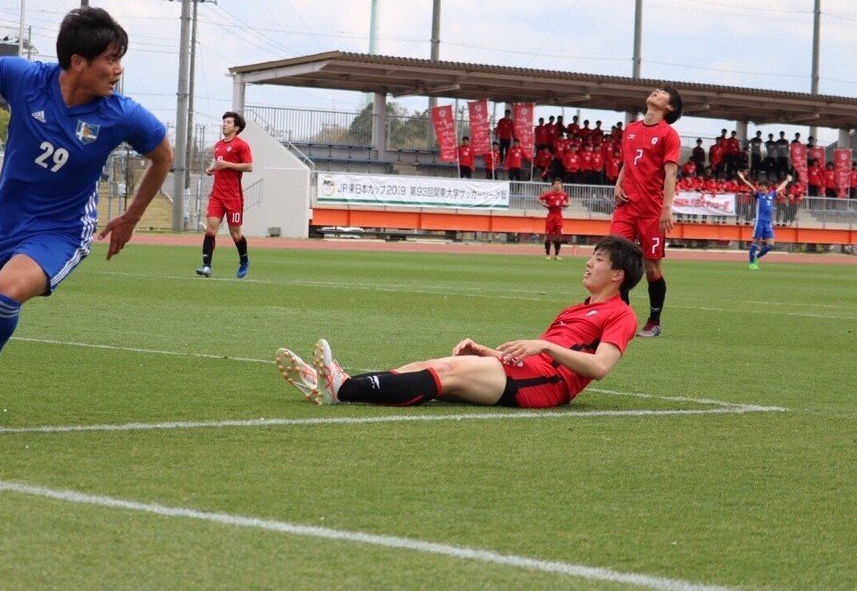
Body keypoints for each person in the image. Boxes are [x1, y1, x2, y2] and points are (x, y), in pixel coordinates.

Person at [0, 0, 173, 415]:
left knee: (5, 294)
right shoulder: (26, 78)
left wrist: (131, 217)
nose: (118, 69)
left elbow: (163, 156)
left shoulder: (122, 114)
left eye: (120, 59)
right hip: (5, 218)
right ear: (78, 61)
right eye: (110, 59)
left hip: (60, 229)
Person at [276, 235, 644, 408]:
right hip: (529, 370)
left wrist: (545, 344)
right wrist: (487, 351)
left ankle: (343, 389)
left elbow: (598, 367)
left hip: (546, 386)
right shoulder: (573, 309)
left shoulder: (622, 314)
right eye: (592, 256)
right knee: (428, 364)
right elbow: (537, 355)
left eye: (598, 259)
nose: (589, 262)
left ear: (618, 276)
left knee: (448, 371)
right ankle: (339, 382)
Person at [611, 86, 682, 338]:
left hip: (652, 210)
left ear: (669, 107)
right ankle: (623, 317)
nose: (655, 92)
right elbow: (627, 163)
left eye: (662, 92)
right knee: (615, 259)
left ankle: (654, 321)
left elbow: (671, 173)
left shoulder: (669, 135)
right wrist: (618, 184)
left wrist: (666, 208)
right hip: (626, 207)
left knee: (652, 267)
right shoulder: (630, 129)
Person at [197, 111, 254, 278]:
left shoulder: (241, 145)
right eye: (224, 122)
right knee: (210, 230)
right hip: (217, 195)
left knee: (235, 234)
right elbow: (219, 165)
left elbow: (249, 166)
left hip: (233, 197)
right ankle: (206, 266)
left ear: (236, 127)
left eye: (228, 122)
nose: (224, 124)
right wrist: (211, 169)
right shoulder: (218, 145)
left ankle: (244, 260)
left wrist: (227, 164)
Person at [737, 170, 792, 270]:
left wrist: (787, 180)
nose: (760, 188)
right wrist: (742, 179)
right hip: (759, 222)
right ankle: (751, 264)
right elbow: (751, 187)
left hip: (768, 223)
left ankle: (756, 258)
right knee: (755, 243)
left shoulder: (772, 195)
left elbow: (780, 188)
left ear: (767, 187)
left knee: (770, 245)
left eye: (762, 186)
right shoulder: (758, 195)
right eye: (759, 186)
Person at [538, 176, 570, 259]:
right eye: (556, 184)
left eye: (559, 184)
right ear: (553, 185)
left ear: (561, 185)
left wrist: (566, 204)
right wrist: (544, 204)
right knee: (548, 236)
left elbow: (569, 202)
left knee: (558, 237)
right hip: (551, 216)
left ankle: (557, 255)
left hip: (559, 216)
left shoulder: (564, 194)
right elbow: (539, 198)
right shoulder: (549, 194)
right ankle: (547, 255)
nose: (557, 185)